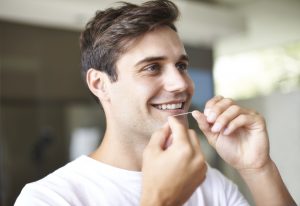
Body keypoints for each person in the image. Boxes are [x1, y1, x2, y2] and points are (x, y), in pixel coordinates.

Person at [15, 0, 296, 205]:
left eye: (181, 66)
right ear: (100, 84)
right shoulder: (49, 198)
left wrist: (258, 168)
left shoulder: (209, 183)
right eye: (152, 67)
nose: (181, 84)